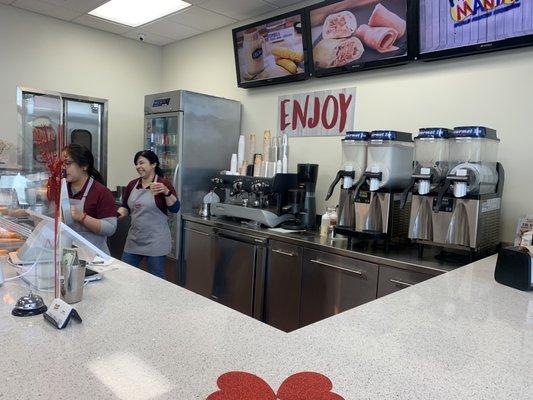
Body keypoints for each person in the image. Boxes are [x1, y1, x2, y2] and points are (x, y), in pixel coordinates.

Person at [118, 150, 180, 279]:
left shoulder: (163, 184)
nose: (138, 166)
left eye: (141, 163)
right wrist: (116, 215)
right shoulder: (132, 185)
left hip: (155, 240)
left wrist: (166, 192)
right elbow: (126, 207)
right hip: (135, 238)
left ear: (153, 164)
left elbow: (175, 208)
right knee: (123, 275)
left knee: (156, 279)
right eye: (136, 164)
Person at [63, 144, 117, 253]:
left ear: (84, 166)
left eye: (68, 163)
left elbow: (110, 228)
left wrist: (82, 217)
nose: (63, 167)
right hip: (68, 253)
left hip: (95, 257)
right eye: (62, 163)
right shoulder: (62, 189)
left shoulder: (102, 192)